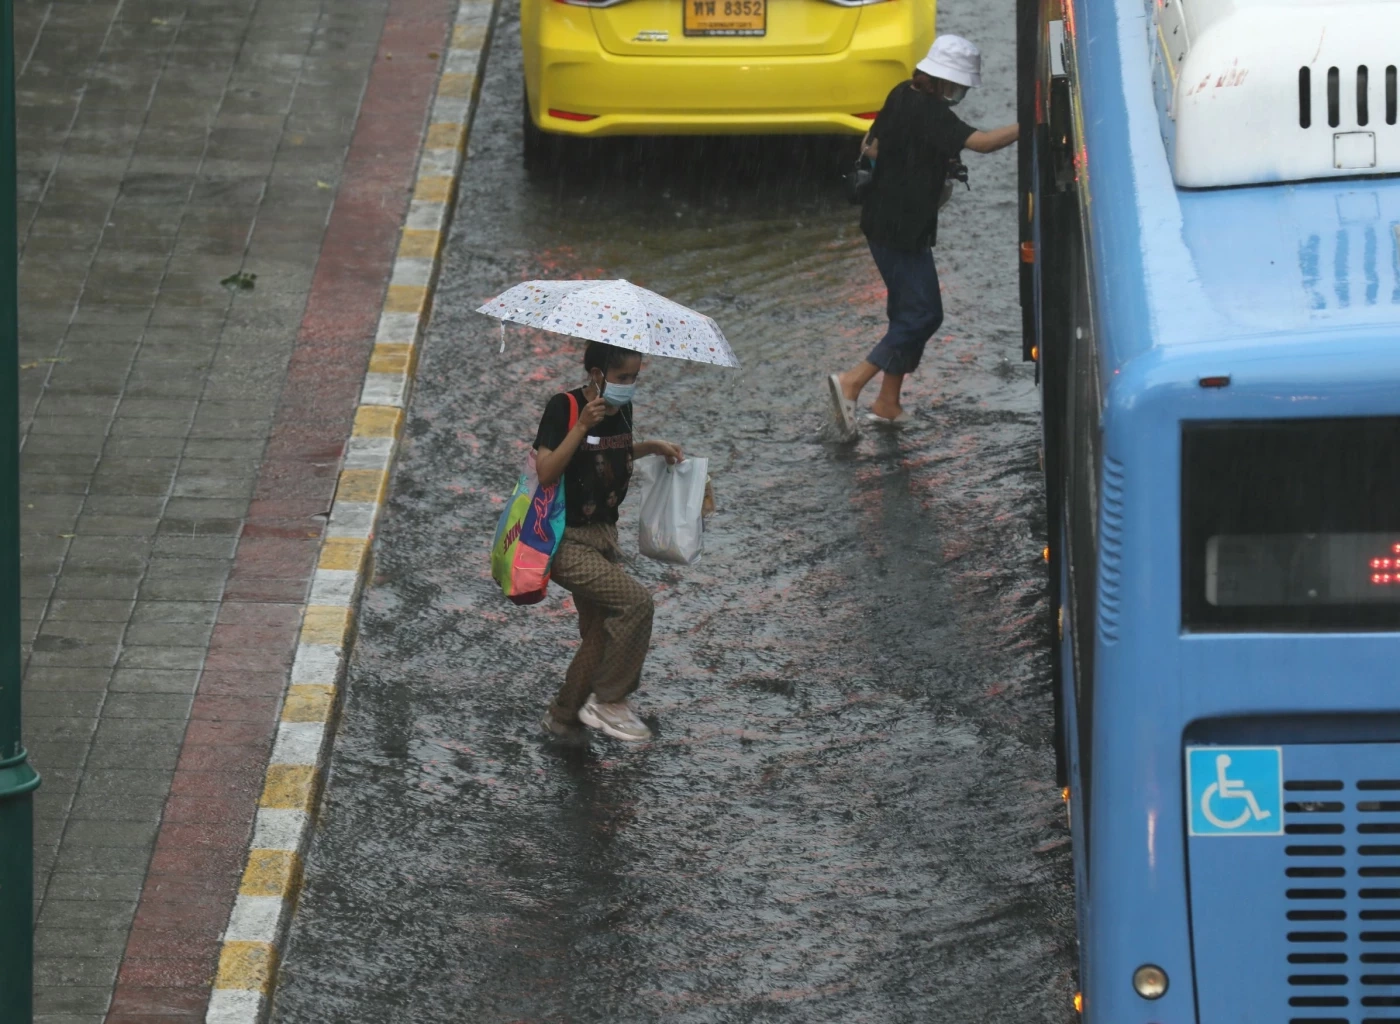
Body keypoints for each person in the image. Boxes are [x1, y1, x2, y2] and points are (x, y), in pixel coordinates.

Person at [827, 34, 1020, 436]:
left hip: (885, 221)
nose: (957, 94)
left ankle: (888, 402)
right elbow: (982, 144)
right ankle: (854, 381)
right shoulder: (933, 114)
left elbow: (871, 146)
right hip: (901, 229)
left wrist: (913, 159)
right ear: (941, 81)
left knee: (906, 312)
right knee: (924, 313)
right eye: (956, 87)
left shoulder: (901, 93)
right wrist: (1032, 125)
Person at [533, 341, 684, 742]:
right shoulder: (562, 407)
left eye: (635, 378)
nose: (629, 386)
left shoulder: (622, 410)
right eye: (622, 378)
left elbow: (605, 455)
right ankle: (609, 701)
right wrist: (581, 424)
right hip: (565, 540)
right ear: (597, 374)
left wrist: (651, 447)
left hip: (604, 536)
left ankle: (563, 717)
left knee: (602, 630)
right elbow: (548, 471)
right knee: (635, 603)